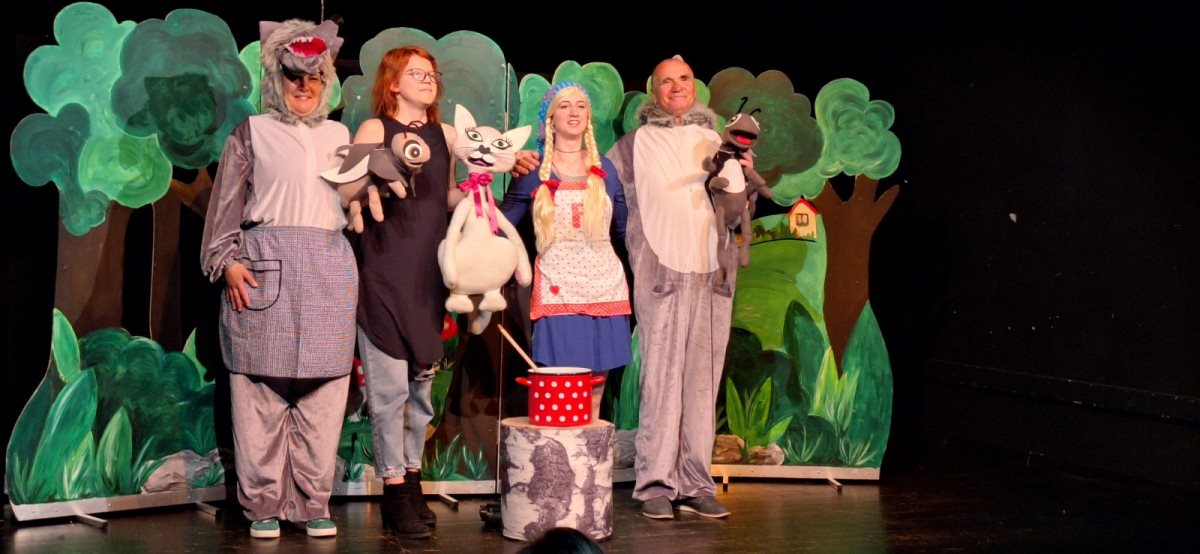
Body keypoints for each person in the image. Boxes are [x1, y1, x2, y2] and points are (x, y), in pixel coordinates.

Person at [200, 19, 353, 539]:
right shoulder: (252, 132)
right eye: (294, 77)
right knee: (258, 395)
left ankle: (313, 502)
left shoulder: (339, 135)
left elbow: (355, 200)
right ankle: (262, 501)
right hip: (266, 266)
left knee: (323, 395)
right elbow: (225, 204)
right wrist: (227, 261)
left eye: (314, 77)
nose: (304, 87)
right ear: (276, 78)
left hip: (328, 268)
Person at [606, 56, 747, 520]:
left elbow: (737, 207)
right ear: (654, 91)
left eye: (683, 79)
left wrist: (744, 176)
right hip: (661, 275)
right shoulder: (632, 145)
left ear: (695, 86)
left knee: (702, 381)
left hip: (711, 275)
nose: (676, 87)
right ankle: (655, 484)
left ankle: (696, 482)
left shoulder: (719, 141)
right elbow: (602, 198)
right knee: (661, 382)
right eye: (666, 81)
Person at [350, 46, 461, 540]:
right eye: (416, 73)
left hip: (427, 275)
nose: (428, 80)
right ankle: (393, 489)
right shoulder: (375, 129)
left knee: (420, 391)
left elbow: (445, 196)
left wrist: (481, 186)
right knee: (389, 390)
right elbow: (349, 189)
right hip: (384, 271)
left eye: (432, 73)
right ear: (393, 83)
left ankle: (412, 479)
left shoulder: (444, 135)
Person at [499, 82, 630, 420]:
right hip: (559, 289)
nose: (574, 112)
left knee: (597, 387)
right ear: (550, 118)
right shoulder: (533, 171)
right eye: (564, 105)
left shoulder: (607, 169)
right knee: (564, 383)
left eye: (581, 105)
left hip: (606, 286)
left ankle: (591, 451)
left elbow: (624, 230)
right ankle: (561, 452)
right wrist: (482, 180)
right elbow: (502, 225)